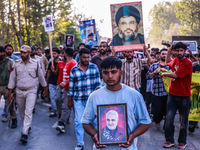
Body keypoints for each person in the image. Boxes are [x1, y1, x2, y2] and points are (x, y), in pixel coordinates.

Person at [82, 56, 151, 150]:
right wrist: (95, 135)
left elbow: (145, 122)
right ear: (102, 74)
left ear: (121, 73)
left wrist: (132, 136)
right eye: (106, 73)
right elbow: (86, 122)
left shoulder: (134, 95)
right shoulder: (94, 96)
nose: (110, 76)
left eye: (113, 72)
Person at [7, 45, 47, 143]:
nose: (23, 54)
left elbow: (41, 77)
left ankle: (24, 133)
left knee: (28, 111)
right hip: (19, 91)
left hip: (31, 91)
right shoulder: (16, 64)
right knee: (21, 112)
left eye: (25, 53)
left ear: (29, 53)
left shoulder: (36, 64)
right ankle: (27, 126)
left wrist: (45, 89)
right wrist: (10, 92)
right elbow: (12, 78)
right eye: (21, 52)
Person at [67, 48, 101, 150]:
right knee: (79, 121)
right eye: (84, 57)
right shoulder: (74, 70)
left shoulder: (94, 67)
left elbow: (98, 85)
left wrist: (98, 99)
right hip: (78, 100)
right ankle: (80, 143)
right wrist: (69, 101)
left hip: (92, 101)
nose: (86, 59)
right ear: (80, 57)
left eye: (88, 57)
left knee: (94, 121)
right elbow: (71, 87)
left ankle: (97, 141)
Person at [161, 42, 193, 149]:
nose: (179, 53)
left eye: (181, 50)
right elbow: (166, 62)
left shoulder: (187, 63)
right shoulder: (175, 60)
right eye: (177, 50)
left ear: (185, 51)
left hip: (184, 96)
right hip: (172, 95)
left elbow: (175, 75)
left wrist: (164, 73)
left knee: (183, 120)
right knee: (169, 119)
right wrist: (169, 49)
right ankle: (169, 140)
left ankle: (182, 141)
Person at [146, 48, 170, 129]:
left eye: (166, 54)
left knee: (168, 112)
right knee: (157, 112)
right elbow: (147, 77)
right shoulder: (154, 66)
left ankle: (166, 127)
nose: (164, 55)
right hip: (157, 93)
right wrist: (155, 72)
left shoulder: (171, 66)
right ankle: (157, 120)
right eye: (163, 54)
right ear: (159, 55)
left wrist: (167, 72)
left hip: (168, 93)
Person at [56, 48, 77, 133]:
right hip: (66, 89)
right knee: (65, 107)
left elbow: (75, 76)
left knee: (73, 108)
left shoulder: (73, 63)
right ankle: (62, 123)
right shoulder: (67, 63)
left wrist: (65, 82)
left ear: (65, 54)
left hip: (72, 89)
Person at [0, 46, 17, 128]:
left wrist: (13, 87)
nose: (0, 54)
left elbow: (14, 75)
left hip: (8, 86)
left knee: (10, 105)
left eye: (2, 52)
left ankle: (14, 119)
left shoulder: (10, 62)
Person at [46, 48, 61, 117]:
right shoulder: (50, 63)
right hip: (52, 82)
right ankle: (54, 110)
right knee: (52, 97)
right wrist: (47, 81)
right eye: (52, 54)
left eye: (55, 53)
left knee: (58, 98)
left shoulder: (61, 62)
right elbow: (48, 72)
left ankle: (60, 111)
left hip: (59, 83)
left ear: (58, 54)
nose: (53, 55)